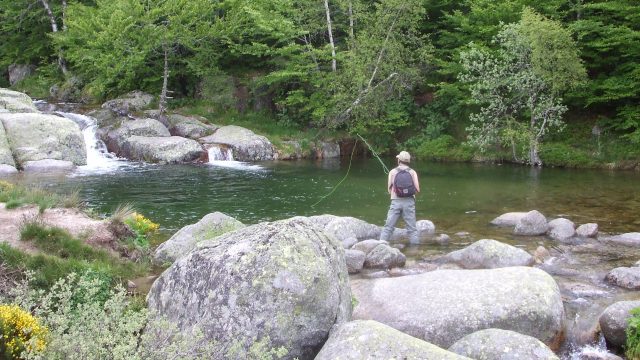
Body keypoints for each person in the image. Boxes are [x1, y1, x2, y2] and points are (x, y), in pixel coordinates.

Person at [380, 151, 420, 244]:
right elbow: (418, 189)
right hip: (409, 202)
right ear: (408, 161)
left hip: (396, 202)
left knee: (388, 227)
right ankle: (416, 253)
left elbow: (389, 190)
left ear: (399, 160)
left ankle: (380, 247)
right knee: (412, 230)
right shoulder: (412, 172)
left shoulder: (392, 172)